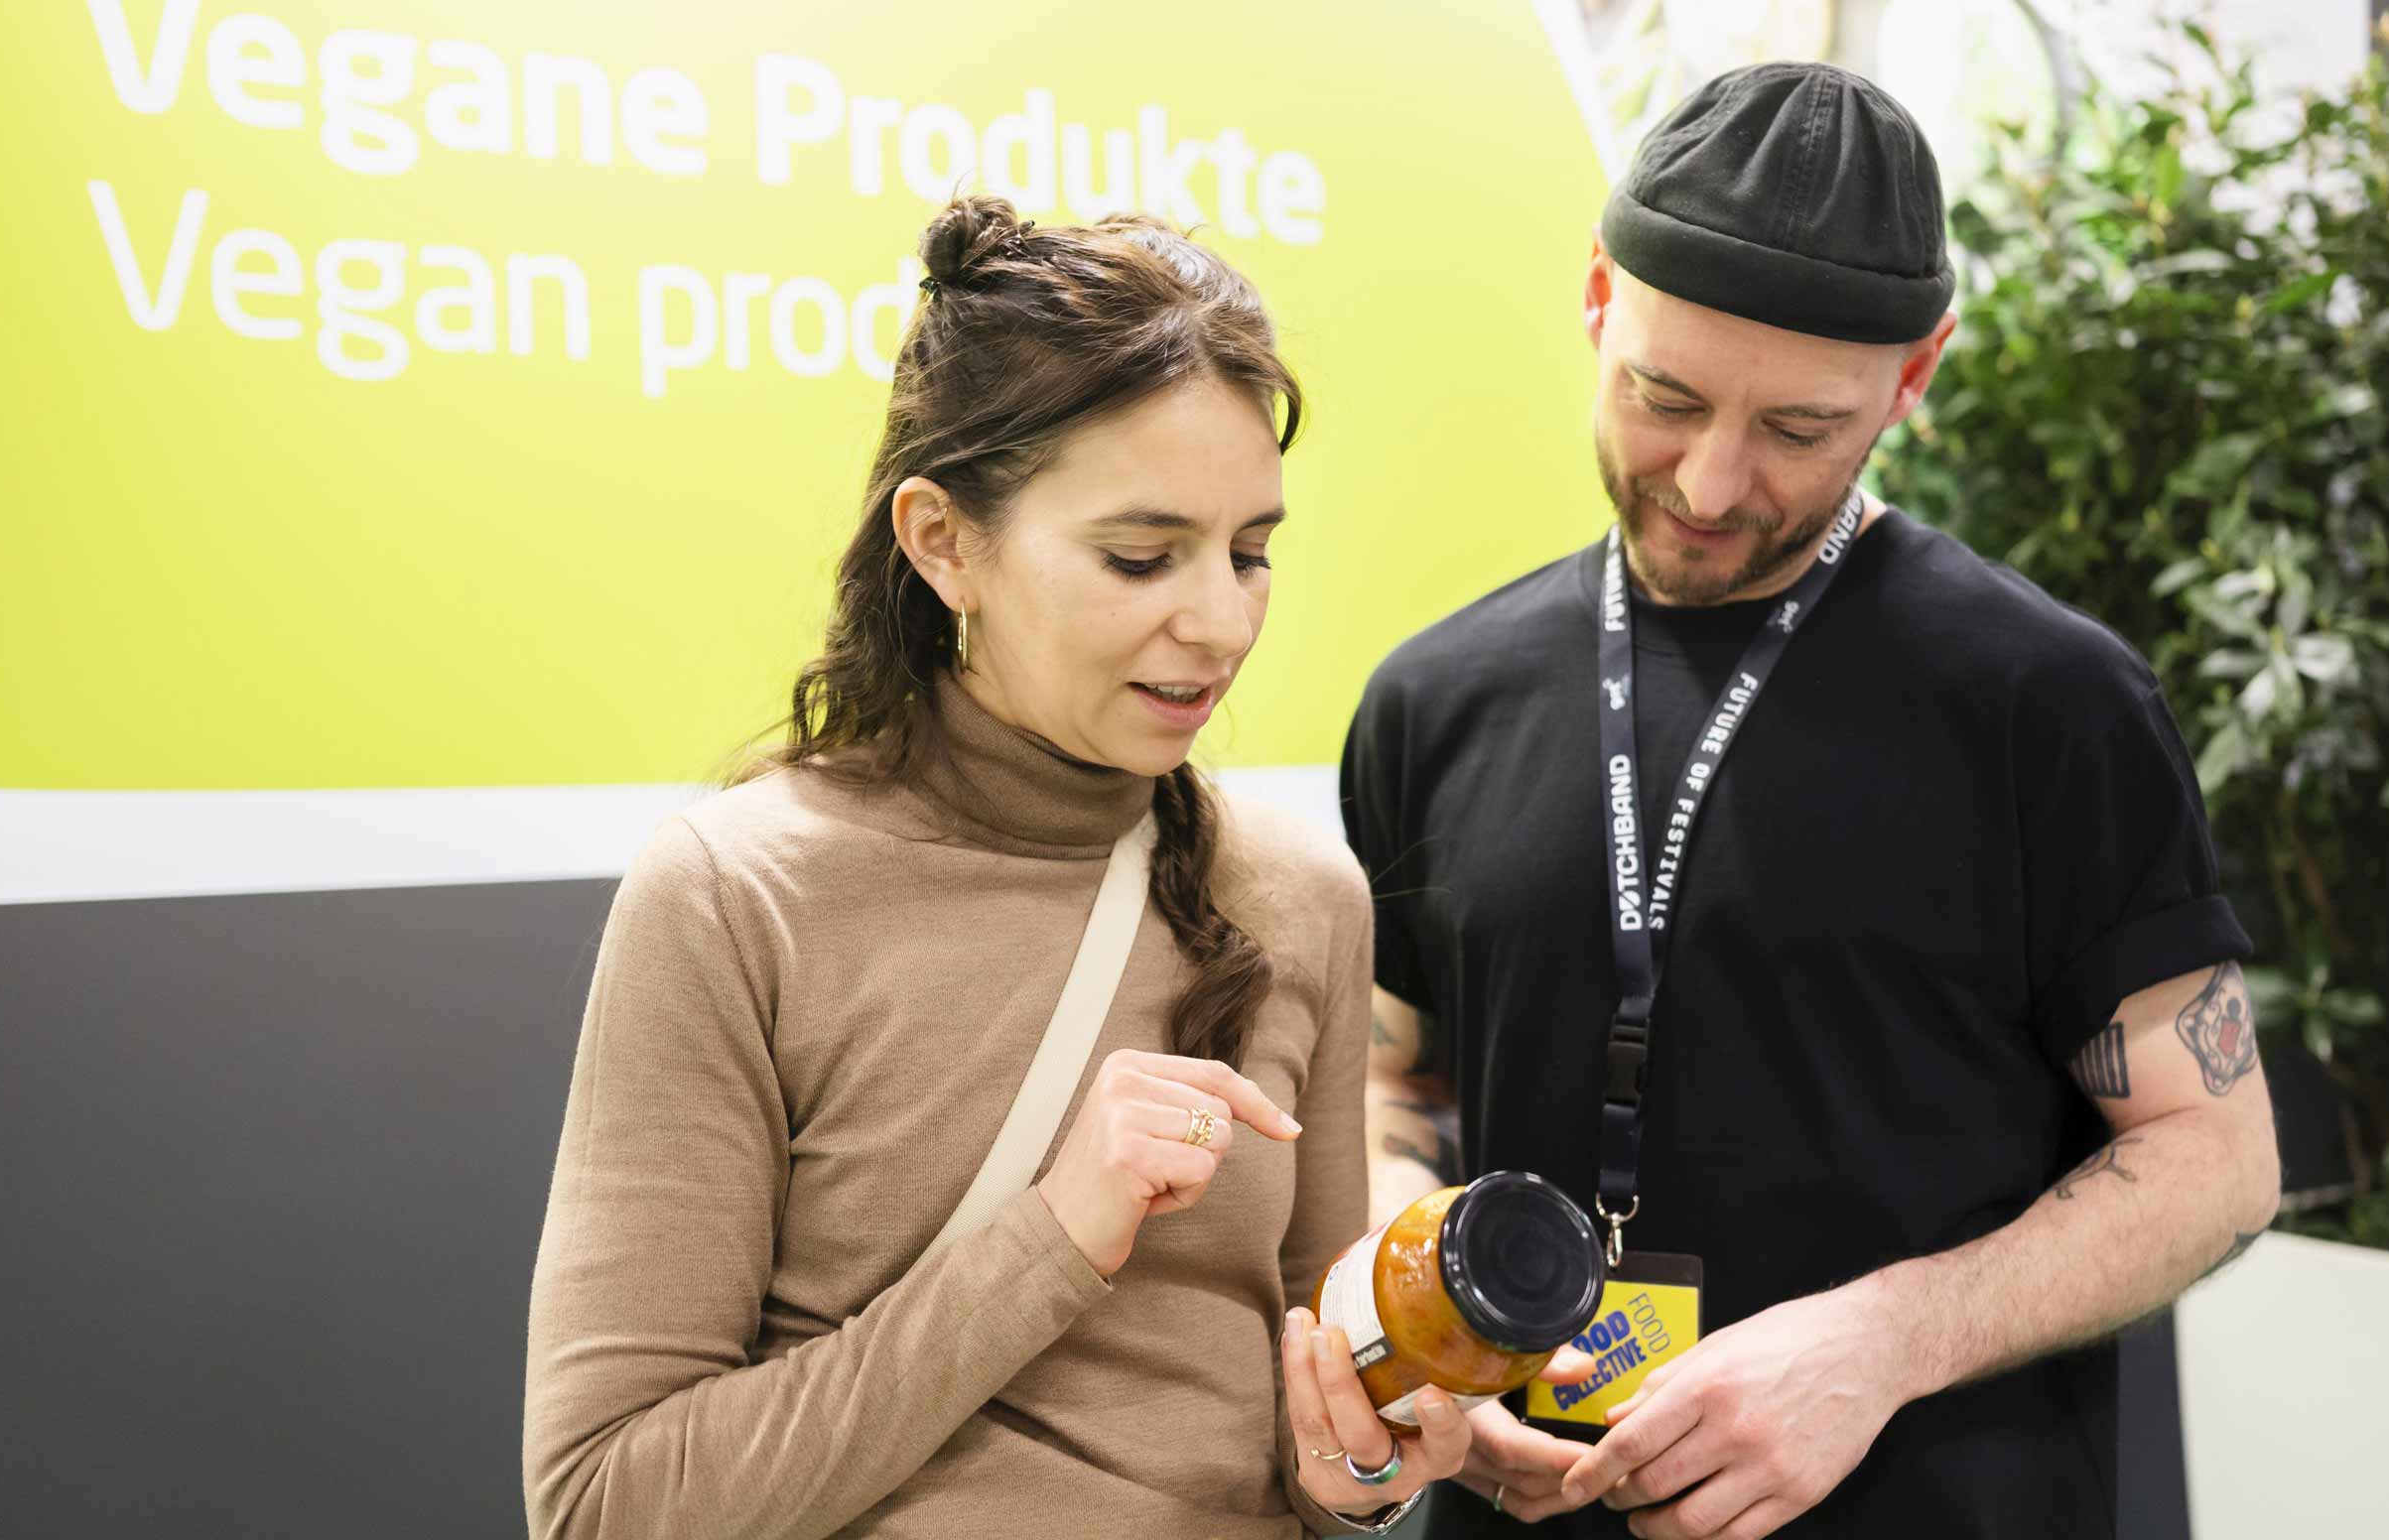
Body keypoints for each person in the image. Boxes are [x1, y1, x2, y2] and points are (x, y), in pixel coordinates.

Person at [1343, 64, 2281, 1540]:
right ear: (1599, 296)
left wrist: (1879, 1345)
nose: (1712, 484)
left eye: (1799, 430)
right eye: (1666, 398)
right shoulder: (1432, 697)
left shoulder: (2052, 705)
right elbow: (1398, 1078)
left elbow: (2218, 1160)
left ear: (1914, 376)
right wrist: (1425, 1315)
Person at [523, 195, 1473, 1539]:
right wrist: (1055, 1235)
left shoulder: (1304, 902)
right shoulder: (741, 896)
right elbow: (606, 1503)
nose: (1221, 623)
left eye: (1252, 555)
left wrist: (1367, 1478)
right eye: (1141, 557)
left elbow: (1332, 1438)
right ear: (943, 543)